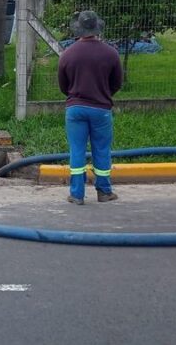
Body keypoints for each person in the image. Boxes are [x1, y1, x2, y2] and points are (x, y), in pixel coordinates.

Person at [57, 11, 123, 205]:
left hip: (75, 109)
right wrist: (103, 94)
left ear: (79, 29)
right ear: (97, 29)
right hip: (101, 109)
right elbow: (117, 83)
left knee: (76, 150)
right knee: (101, 149)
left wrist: (76, 96)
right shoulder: (111, 53)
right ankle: (104, 192)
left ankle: (77, 195)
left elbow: (63, 86)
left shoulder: (67, 54)